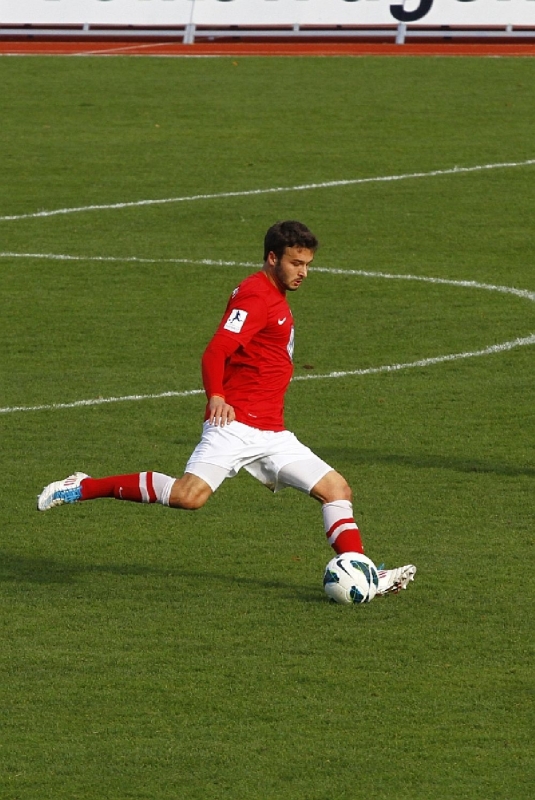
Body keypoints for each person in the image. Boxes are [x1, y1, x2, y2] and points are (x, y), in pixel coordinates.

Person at [37, 220, 416, 597]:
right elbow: (216, 350)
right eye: (296, 263)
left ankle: (366, 572)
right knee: (188, 496)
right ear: (272, 258)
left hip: (271, 431)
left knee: (336, 489)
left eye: (307, 265)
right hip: (235, 424)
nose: (303, 272)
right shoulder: (256, 297)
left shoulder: (273, 295)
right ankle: (83, 486)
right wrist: (216, 396)